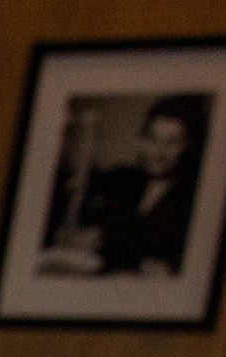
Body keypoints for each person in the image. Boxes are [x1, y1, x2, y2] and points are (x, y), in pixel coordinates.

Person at [47, 96, 205, 279]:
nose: (158, 152)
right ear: (142, 140)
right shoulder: (126, 179)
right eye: (152, 139)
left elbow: (157, 239)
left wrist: (103, 237)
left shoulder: (192, 195)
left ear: (188, 146)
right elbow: (78, 179)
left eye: (172, 142)